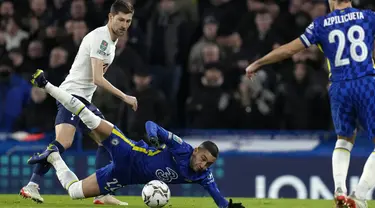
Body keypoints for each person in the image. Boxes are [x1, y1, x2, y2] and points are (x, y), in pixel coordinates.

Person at [28, 69, 244, 208]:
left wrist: (229, 206)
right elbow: (151, 125)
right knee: (90, 118)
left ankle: (55, 158)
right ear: (197, 150)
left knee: (75, 193)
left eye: (208, 164)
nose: (203, 165)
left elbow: (220, 200)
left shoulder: (203, 176)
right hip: (129, 151)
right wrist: (152, 137)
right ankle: (46, 84)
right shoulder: (182, 148)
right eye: (204, 158)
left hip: (123, 176)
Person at [245, 0, 375, 208]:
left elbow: (288, 50)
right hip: (367, 83)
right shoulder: (369, 17)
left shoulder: (321, 24)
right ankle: (359, 196)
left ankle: (339, 189)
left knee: (344, 140)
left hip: (339, 87)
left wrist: (258, 62)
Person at [20, 0, 137, 205]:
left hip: (80, 98)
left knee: (103, 141)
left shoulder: (111, 39)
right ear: (111, 17)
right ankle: (33, 185)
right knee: (69, 142)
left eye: (128, 21)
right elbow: (97, 79)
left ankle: (100, 193)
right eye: (120, 19)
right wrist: (125, 96)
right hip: (73, 97)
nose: (124, 25)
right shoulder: (101, 39)